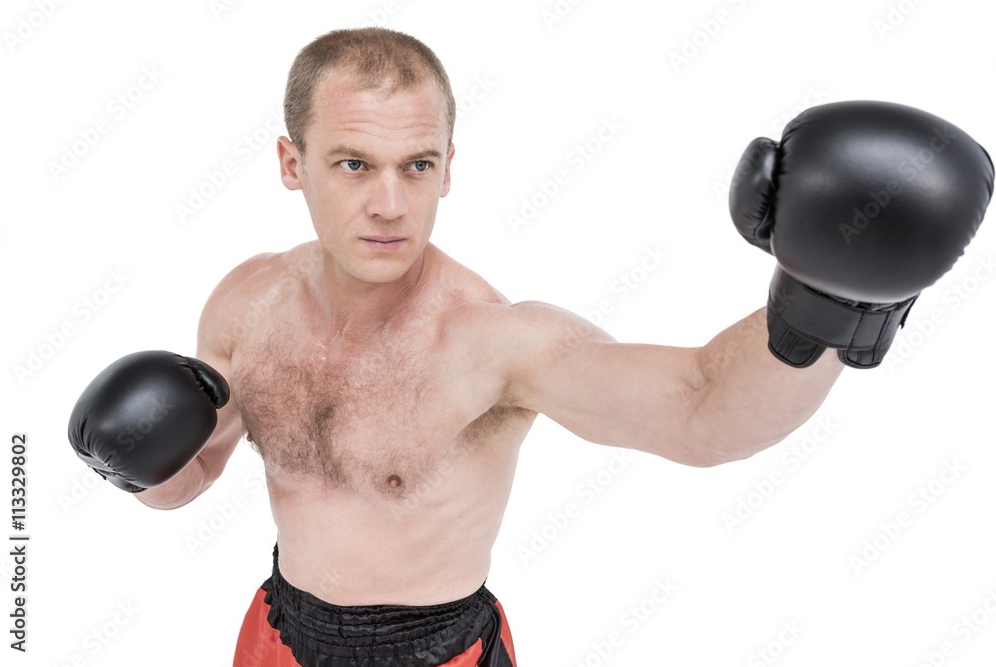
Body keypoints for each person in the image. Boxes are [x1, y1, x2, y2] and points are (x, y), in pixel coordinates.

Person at [67, 28, 993, 667]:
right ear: (289, 162)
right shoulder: (246, 301)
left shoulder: (493, 340)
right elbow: (190, 481)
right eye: (354, 163)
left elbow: (702, 410)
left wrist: (819, 308)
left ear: (448, 167)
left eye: (417, 165)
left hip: (444, 650)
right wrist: (140, 468)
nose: (389, 203)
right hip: (275, 631)